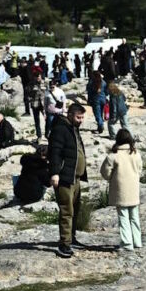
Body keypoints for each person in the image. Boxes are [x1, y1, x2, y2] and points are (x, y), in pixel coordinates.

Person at [48, 103, 88, 258]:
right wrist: (55, 173)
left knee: (76, 209)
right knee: (67, 211)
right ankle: (64, 244)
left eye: (83, 117)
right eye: (79, 117)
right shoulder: (60, 129)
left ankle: (72, 238)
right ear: (70, 115)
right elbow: (55, 152)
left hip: (75, 178)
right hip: (65, 177)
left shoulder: (73, 129)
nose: (81, 120)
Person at [100, 128, 143, 253]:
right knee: (134, 215)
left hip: (120, 190)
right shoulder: (136, 154)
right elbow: (140, 169)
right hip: (133, 188)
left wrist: (112, 178)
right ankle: (137, 241)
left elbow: (105, 172)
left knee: (123, 216)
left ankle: (127, 242)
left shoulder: (113, 156)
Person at [86, 71, 107, 135]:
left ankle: (100, 125)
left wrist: (89, 100)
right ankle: (100, 125)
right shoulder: (103, 82)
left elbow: (89, 92)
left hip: (95, 100)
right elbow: (106, 91)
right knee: (100, 113)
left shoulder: (91, 83)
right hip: (103, 99)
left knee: (97, 114)